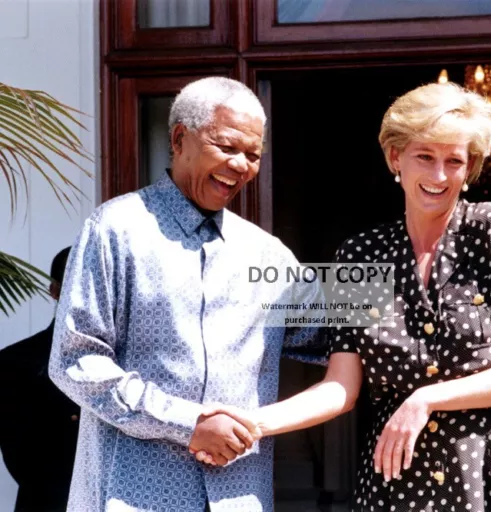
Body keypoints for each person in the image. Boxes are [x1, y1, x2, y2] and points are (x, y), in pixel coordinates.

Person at [205, 82, 491, 511]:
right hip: (395, 483)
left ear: (469, 170)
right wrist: (252, 424)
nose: (439, 176)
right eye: (425, 157)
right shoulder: (360, 254)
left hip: (484, 473)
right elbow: (341, 386)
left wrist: (427, 398)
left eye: (454, 161)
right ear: (396, 158)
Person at [49, 77, 326, 512]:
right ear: (180, 139)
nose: (241, 165)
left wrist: (411, 261)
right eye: (228, 147)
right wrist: (189, 422)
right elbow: (75, 361)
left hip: (240, 498)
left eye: (253, 155)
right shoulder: (115, 229)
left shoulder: (266, 254)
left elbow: (347, 324)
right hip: (131, 497)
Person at [0, 247, 80, 512]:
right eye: (76, 281)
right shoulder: (16, 361)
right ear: (54, 290)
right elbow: (20, 459)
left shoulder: (136, 363)